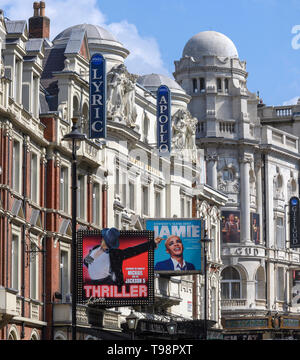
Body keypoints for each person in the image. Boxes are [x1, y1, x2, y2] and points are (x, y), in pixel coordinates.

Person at [84, 228, 162, 288]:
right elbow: (86, 262)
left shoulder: (115, 254)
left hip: (109, 285)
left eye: (103, 238)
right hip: (95, 286)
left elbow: (134, 250)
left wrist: (152, 243)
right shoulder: (96, 249)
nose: (102, 239)